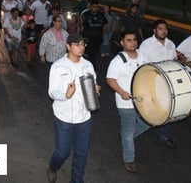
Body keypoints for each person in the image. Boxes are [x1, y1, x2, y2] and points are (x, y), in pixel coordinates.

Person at [46, 33, 99, 183]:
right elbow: (52, 91)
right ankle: (52, 167)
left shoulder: (88, 65)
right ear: (68, 47)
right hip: (64, 117)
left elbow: (92, 84)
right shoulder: (58, 66)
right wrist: (66, 94)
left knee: (81, 154)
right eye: (77, 44)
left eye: (83, 44)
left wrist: (96, 89)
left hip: (84, 117)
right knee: (62, 152)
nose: (81, 47)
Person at [106, 31, 150, 173]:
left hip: (142, 100)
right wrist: (122, 92)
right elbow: (110, 80)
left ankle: (126, 137)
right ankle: (129, 159)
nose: (133, 42)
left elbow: (149, 71)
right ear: (122, 43)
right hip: (126, 104)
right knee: (128, 131)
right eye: (129, 40)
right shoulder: (118, 61)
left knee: (149, 122)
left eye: (134, 40)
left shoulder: (142, 56)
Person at [139, 19, 180, 149]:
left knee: (168, 109)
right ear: (154, 30)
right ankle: (131, 132)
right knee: (150, 109)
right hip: (151, 82)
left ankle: (165, 136)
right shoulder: (146, 45)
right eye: (160, 28)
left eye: (165, 29)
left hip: (168, 83)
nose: (164, 31)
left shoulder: (170, 44)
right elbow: (142, 65)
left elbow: (173, 60)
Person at [80, 0, 107, 68]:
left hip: (98, 38)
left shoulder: (101, 14)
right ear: (90, 7)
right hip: (88, 38)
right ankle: (91, 67)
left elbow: (104, 26)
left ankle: (91, 66)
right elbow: (80, 24)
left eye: (97, 7)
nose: (96, 8)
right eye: (94, 7)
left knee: (94, 53)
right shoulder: (85, 14)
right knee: (89, 54)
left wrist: (103, 36)